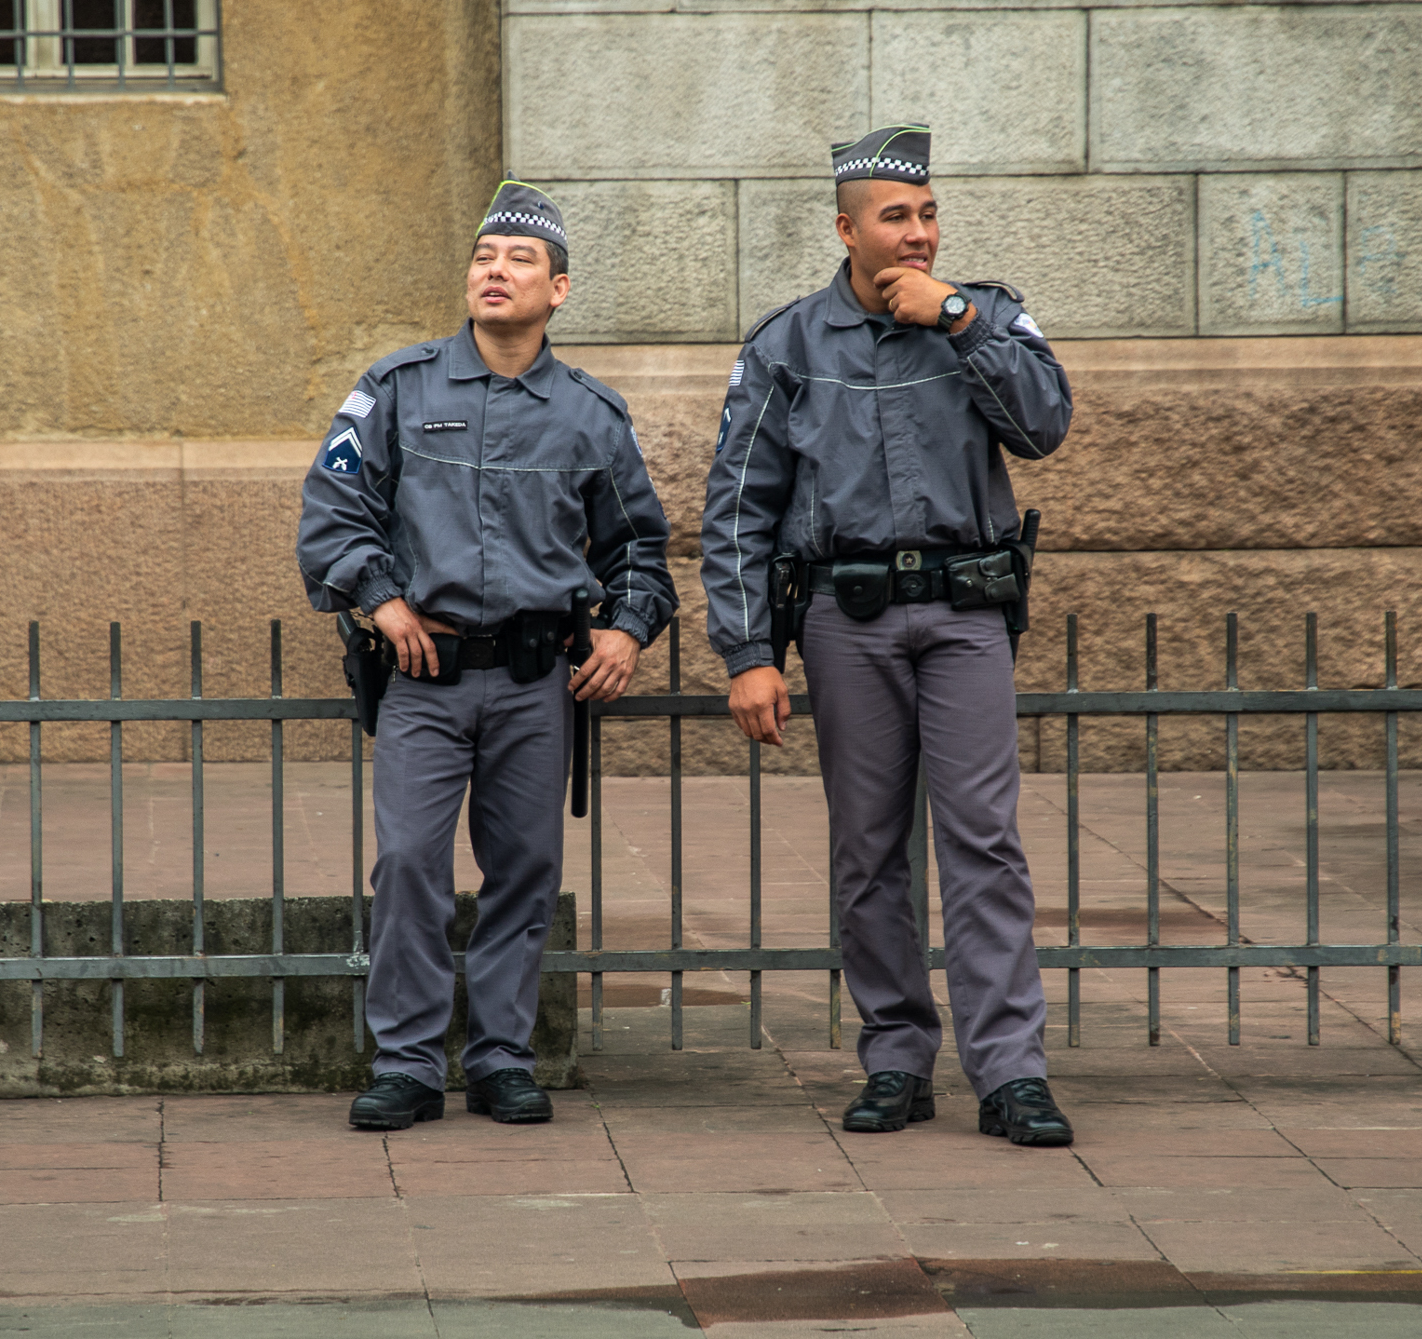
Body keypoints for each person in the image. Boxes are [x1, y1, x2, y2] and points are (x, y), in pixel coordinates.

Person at [699, 125, 1076, 1146]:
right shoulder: (786, 345)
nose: (916, 235)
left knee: (982, 843)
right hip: (844, 618)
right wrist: (745, 652)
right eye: (893, 218)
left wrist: (955, 319)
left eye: (925, 215)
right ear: (845, 229)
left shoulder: (985, 315)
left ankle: (1010, 1073)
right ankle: (897, 1057)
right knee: (867, 851)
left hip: (963, 614)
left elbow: (1044, 423)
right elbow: (736, 503)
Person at [299, 178, 677, 1131]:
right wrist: (381, 601)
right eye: (482, 257)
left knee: (524, 871)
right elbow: (332, 513)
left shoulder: (593, 413)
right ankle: (410, 1063)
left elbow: (640, 548)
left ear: (559, 290)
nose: (494, 272)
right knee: (412, 865)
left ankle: (504, 1057)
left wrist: (627, 626)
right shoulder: (396, 388)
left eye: (518, 261)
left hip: (533, 682)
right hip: (425, 678)